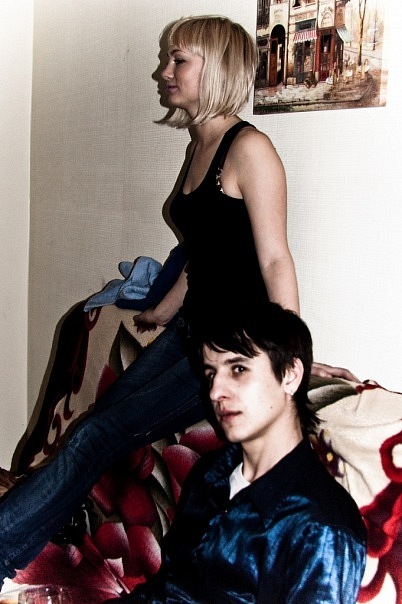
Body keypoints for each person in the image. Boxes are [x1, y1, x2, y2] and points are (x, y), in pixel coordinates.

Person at [0, 15, 358, 584]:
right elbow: (203, 246)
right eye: (168, 58)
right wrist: (163, 310)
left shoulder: (251, 149)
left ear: (215, 69)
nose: (163, 71)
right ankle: (50, 519)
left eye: (178, 59)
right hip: (193, 329)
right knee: (98, 422)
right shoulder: (200, 145)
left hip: (233, 348)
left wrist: (291, 355)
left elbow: (274, 259)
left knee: (98, 433)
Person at [104, 301, 367, 603]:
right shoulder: (209, 473)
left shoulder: (321, 529)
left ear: (290, 375)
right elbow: (167, 586)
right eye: (211, 374)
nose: (215, 392)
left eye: (238, 369)